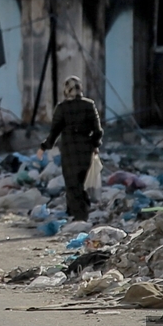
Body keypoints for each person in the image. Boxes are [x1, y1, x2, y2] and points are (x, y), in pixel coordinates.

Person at [40, 76, 103, 222]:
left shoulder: (62, 108)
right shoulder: (89, 105)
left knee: (72, 184)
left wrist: (45, 146)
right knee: (83, 183)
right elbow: (98, 130)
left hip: (69, 151)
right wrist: (95, 145)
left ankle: (78, 216)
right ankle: (81, 213)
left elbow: (54, 132)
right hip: (86, 150)